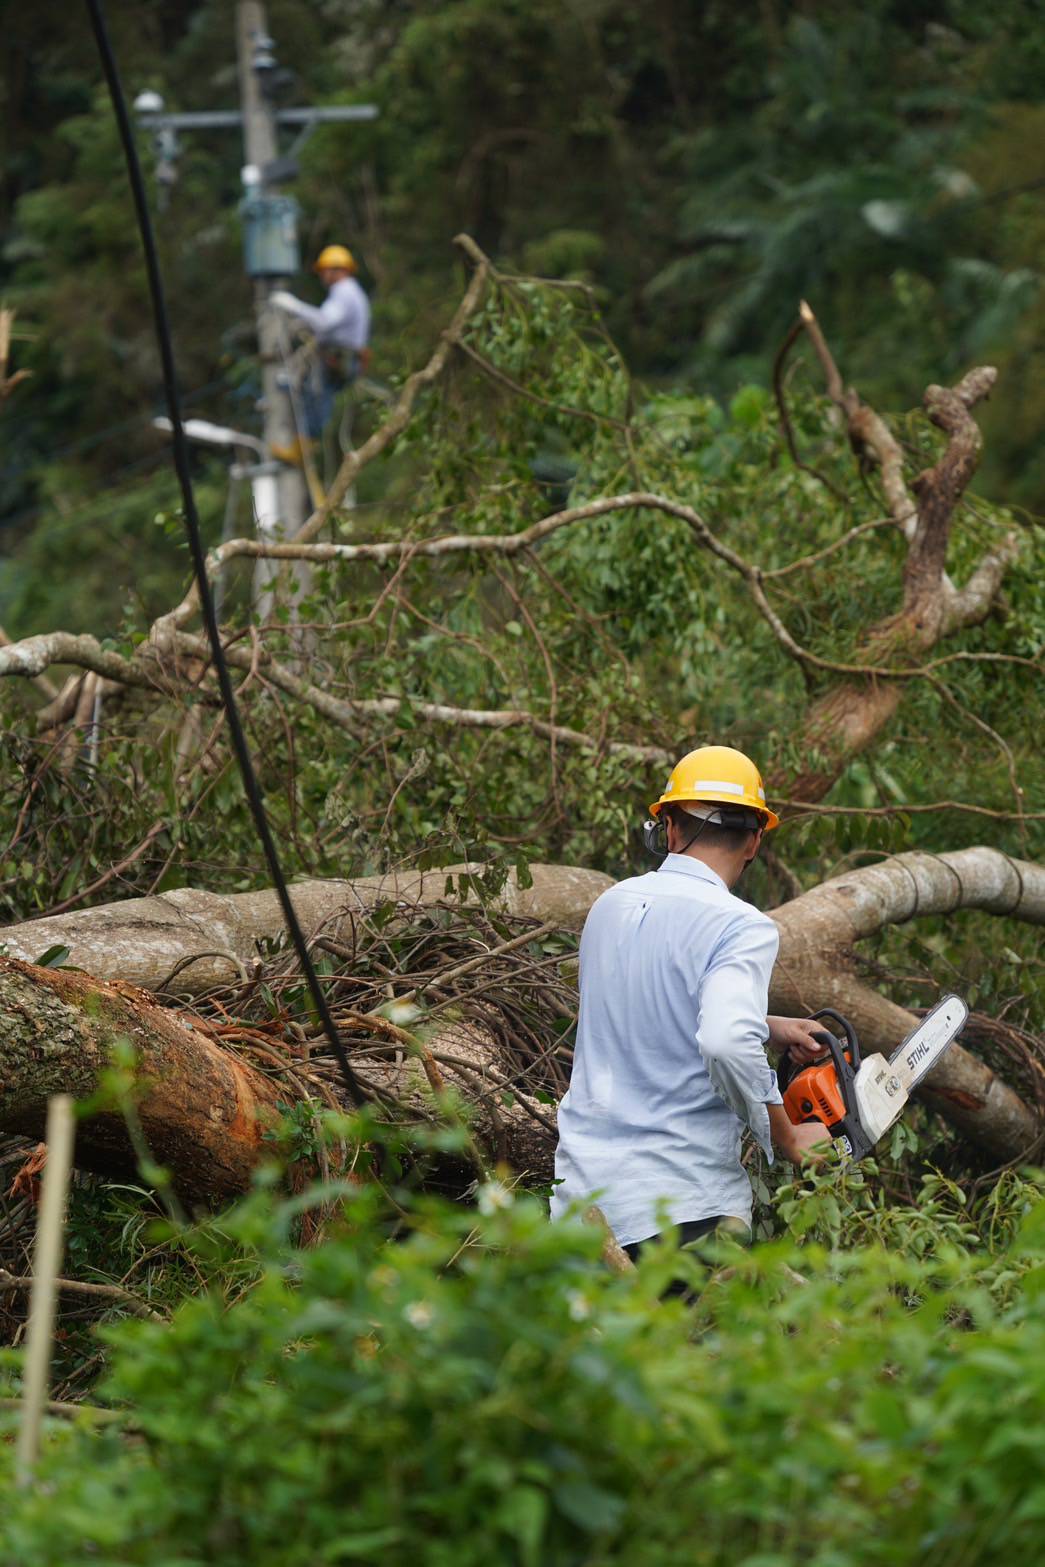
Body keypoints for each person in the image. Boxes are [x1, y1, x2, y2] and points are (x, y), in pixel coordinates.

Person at [550, 744, 830, 1276]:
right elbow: (725, 1042)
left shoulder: (611, 905)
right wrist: (788, 1135)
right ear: (755, 840)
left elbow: (641, 1007)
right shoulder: (740, 926)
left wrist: (766, 1027)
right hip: (682, 1211)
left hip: (581, 1209)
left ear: (671, 828)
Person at [269, 244, 371, 454]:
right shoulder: (350, 291)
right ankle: (301, 445)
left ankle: (300, 451)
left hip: (340, 359)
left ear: (338, 270)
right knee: (307, 392)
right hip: (345, 358)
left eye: (325, 270)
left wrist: (293, 305)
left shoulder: (344, 292)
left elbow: (324, 322)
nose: (322, 275)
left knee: (317, 397)